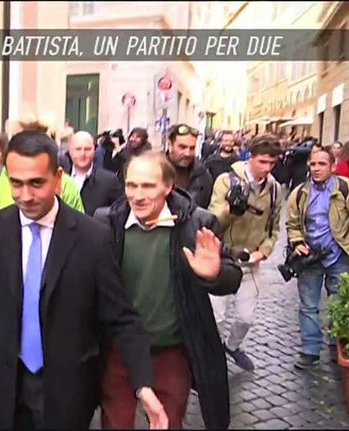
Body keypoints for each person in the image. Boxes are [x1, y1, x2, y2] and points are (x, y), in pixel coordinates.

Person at [0, 130, 168, 429]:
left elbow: (121, 317)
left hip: (68, 393)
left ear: (58, 178)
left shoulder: (93, 238)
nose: (25, 195)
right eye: (16, 183)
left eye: (36, 183)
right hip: (5, 388)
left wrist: (143, 386)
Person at [94, 151, 243, 429]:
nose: (138, 195)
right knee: (115, 422)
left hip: (171, 349)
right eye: (131, 185)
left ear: (168, 186)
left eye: (148, 186)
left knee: (168, 421)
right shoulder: (107, 223)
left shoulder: (197, 223)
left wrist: (214, 274)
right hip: (119, 349)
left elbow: (232, 276)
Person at [286, 148, 349, 369]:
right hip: (310, 258)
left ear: (333, 166)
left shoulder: (346, 189)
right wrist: (297, 242)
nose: (316, 169)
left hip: (339, 256)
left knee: (340, 303)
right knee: (308, 305)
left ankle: (337, 345)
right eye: (313, 164)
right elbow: (293, 224)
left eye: (322, 164)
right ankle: (310, 351)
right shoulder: (299, 193)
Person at [208, 134, 284, 372]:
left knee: (245, 318)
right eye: (262, 161)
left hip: (250, 262)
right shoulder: (226, 180)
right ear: (250, 157)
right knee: (216, 317)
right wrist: (230, 210)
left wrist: (263, 252)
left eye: (272, 163)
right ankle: (210, 356)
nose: (267, 168)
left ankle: (232, 346)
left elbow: (274, 228)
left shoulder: (275, 189)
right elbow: (212, 221)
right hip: (222, 258)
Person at [58, 131, 123, 216]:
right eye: (78, 149)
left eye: (87, 149)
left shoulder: (109, 181)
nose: (82, 154)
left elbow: (119, 213)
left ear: (94, 150)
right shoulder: (59, 178)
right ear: (70, 151)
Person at [165, 124, 213, 209]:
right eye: (182, 147)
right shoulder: (154, 171)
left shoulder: (203, 176)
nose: (187, 153)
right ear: (170, 145)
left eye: (192, 148)